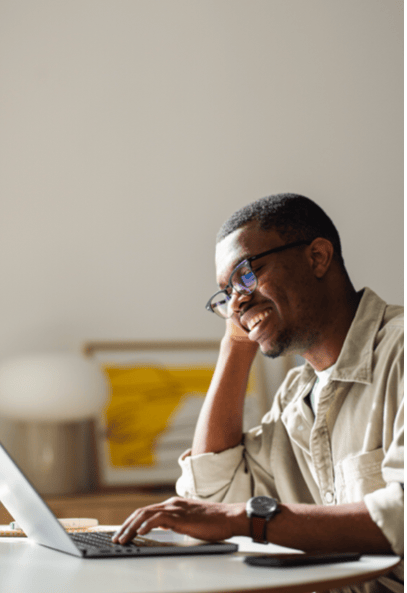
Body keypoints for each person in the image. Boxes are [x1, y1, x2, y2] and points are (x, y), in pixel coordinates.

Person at [113, 194, 404, 592]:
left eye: (247, 274)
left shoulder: (399, 354)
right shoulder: (295, 398)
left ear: (317, 257)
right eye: (226, 293)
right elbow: (210, 496)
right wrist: (235, 343)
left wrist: (246, 518)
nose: (237, 301)